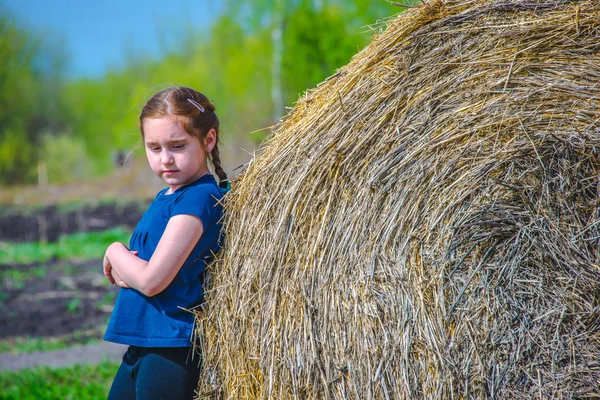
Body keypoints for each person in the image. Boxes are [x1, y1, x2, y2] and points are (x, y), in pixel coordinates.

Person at [102, 86, 229, 400]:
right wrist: (126, 268)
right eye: (154, 148)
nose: (166, 159)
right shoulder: (167, 197)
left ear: (208, 140)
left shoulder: (199, 198)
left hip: (170, 348)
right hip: (144, 342)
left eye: (177, 146)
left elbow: (151, 280)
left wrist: (113, 251)